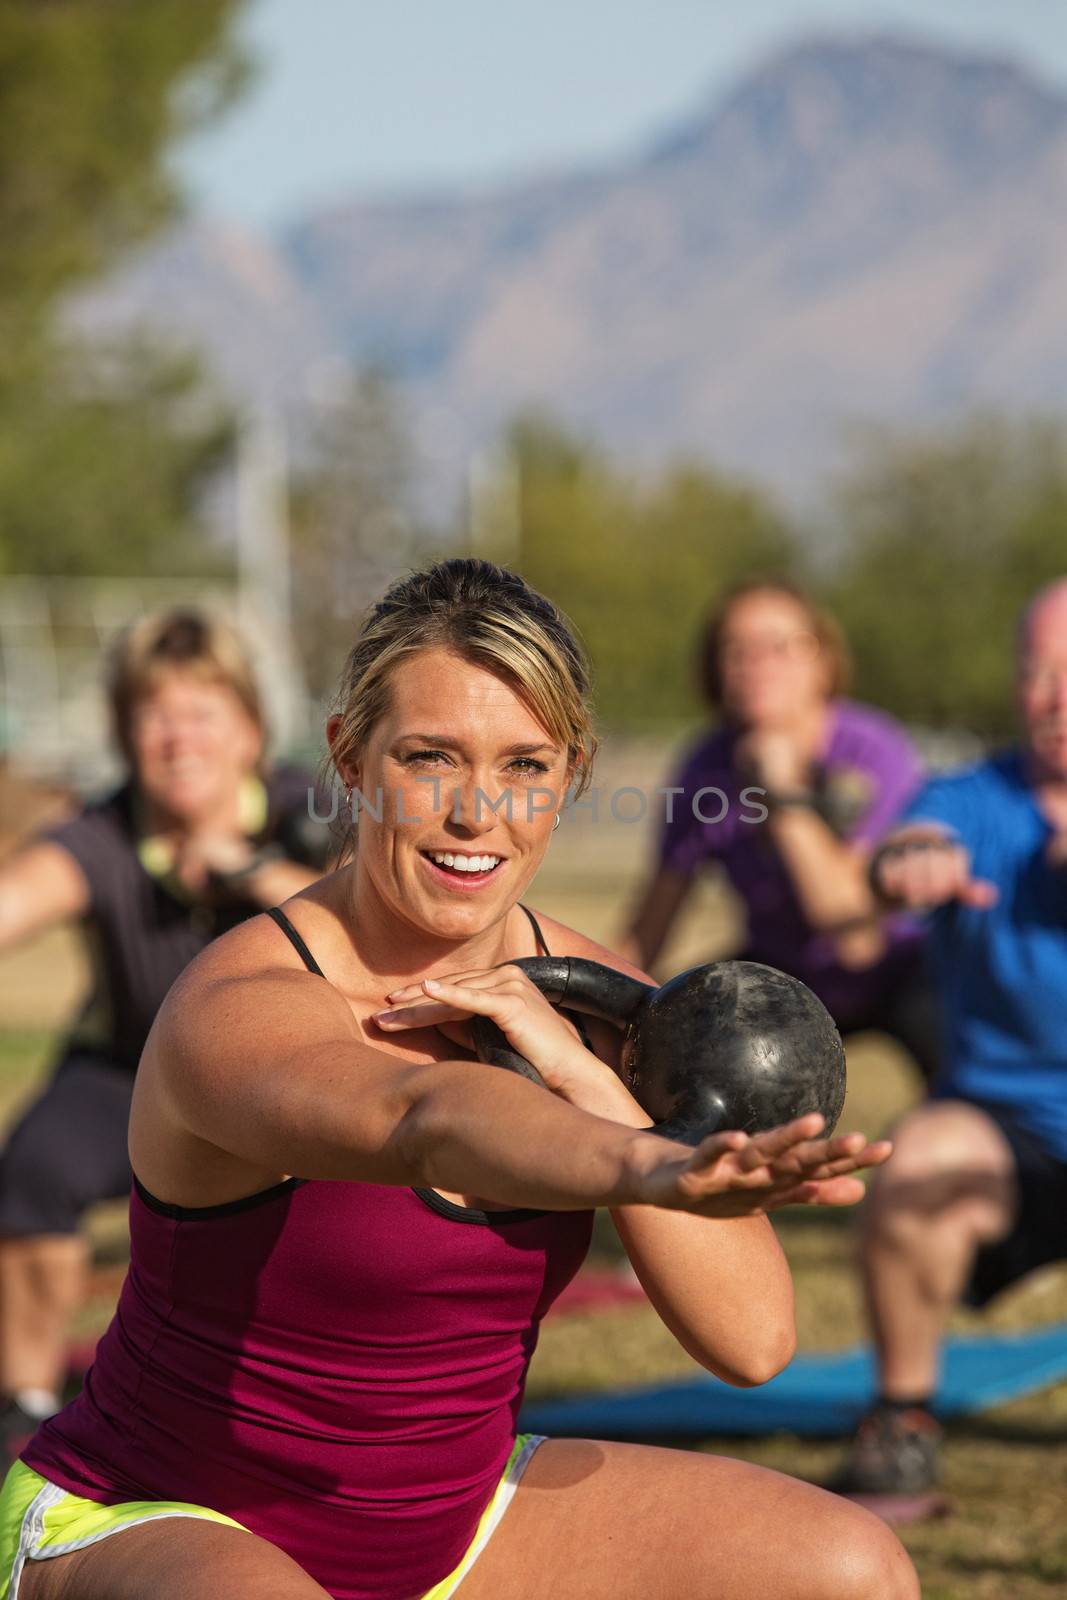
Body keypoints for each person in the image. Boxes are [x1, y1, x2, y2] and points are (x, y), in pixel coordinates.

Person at [0, 560, 918, 1600]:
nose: (478, 811)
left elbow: (751, 1341)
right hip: (150, 1515)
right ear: (349, 755)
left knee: (851, 1570)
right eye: (430, 757)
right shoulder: (239, 998)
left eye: (525, 766)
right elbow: (422, 1115)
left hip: (447, 1540)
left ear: (571, 775)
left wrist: (589, 1074)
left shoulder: (602, 1005)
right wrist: (641, 1160)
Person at [0, 608, 333, 1464]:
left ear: (251, 731)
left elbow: (376, 924)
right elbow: (17, 899)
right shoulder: (105, 833)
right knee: (34, 1165)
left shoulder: (308, 809)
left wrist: (251, 870)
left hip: (285, 1075)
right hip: (131, 1074)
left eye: (202, 713)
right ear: (125, 734)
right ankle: (22, 1414)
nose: (178, 738)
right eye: (155, 715)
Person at [831, 576, 1067, 1516]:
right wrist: (908, 863)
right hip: (1007, 1130)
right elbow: (907, 844)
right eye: (1036, 671)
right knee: (913, 1164)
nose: (1055, 696)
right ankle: (901, 1423)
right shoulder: (971, 797)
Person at [620, 578, 940, 1083]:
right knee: (674, 1041)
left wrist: (778, 788)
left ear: (824, 661)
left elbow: (848, 924)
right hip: (780, 970)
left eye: (781, 646)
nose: (757, 663)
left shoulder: (872, 748)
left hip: (899, 967)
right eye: (736, 649)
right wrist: (590, 1008)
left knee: (972, 1069)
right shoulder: (708, 768)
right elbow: (648, 931)